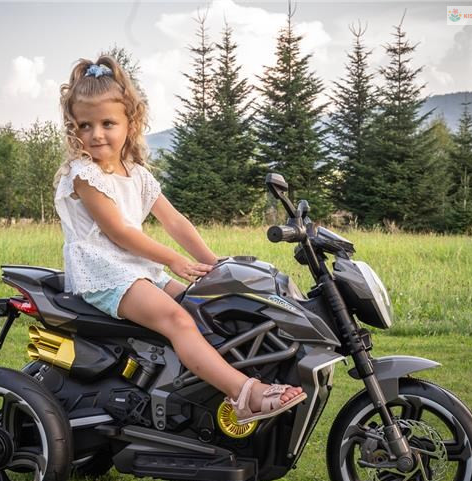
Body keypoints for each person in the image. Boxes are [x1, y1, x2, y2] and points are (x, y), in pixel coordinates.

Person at [53, 56, 306, 423]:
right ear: (73, 127)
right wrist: (173, 259)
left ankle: (195, 395)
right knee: (177, 319)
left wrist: (215, 264)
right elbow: (119, 232)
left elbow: (174, 221)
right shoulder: (84, 175)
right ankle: (243, 395)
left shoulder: (136, 174)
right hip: (103, 274)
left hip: (136, 271)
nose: (96, 134)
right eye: (85, 125)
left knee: (200, 305)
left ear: (130, 123)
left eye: (108, 123)